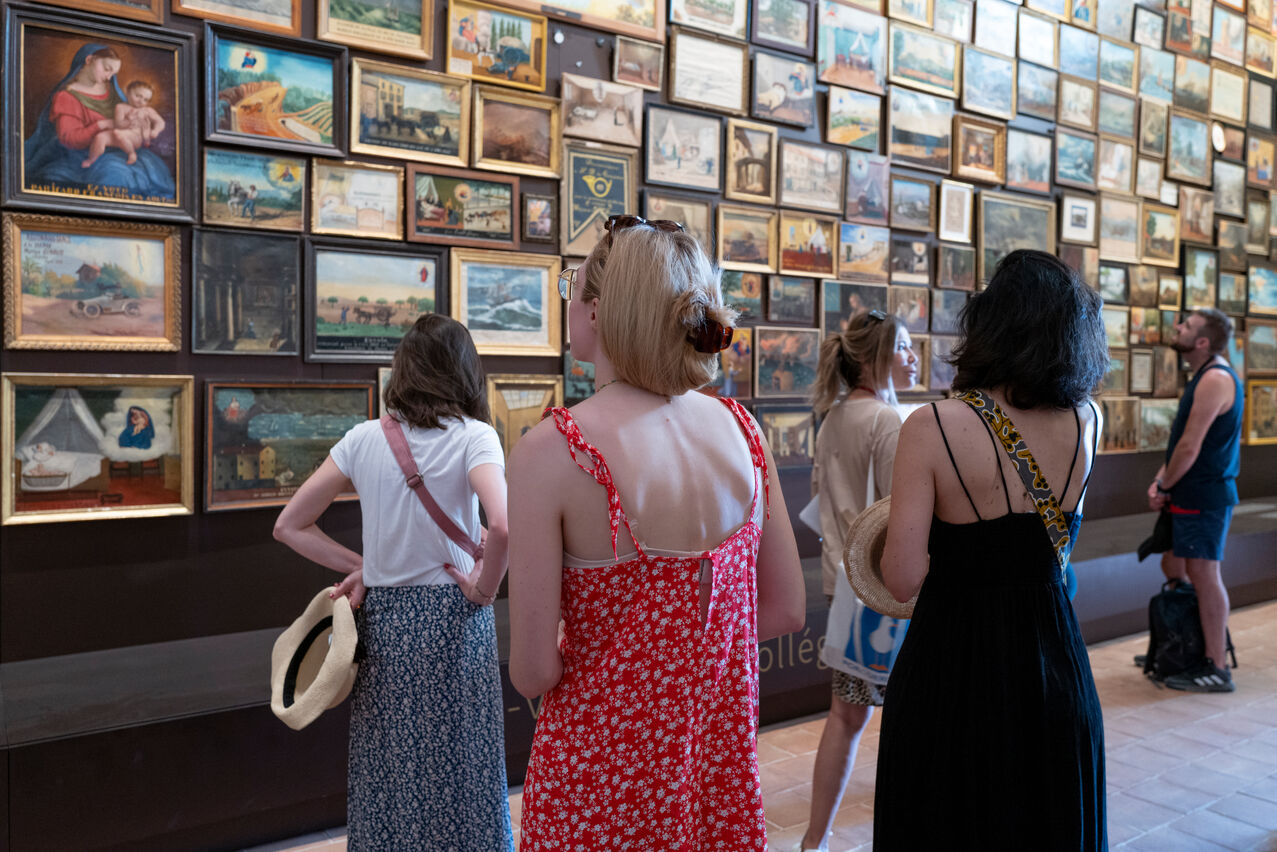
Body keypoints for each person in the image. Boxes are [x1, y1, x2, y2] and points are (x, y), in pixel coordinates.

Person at [508, 215, 805, 850]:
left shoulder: (553, 451)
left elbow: (532, 672)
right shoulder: (743, 431)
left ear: (596, 312)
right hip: (713, 778)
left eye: (572, 287)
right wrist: (688, 653)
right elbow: (783, 608)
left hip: (599, 782)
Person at [875, 250, 1108, 849]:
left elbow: (900, 577)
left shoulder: (932, 426)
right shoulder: (1088, 419)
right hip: (1055, 660)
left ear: (989, 325)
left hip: (955, 673)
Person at [273, 314, 515, 851]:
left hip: (387, 628)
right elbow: (502, 525)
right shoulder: (475, 437)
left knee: (390, 773)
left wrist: (366, 565)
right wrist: (485, 588)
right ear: (466, 372)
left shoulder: (364, 439)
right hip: (456, 623)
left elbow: (289, 525)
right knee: (465, 764)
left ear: (403, 371)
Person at [797, 309, 916, 852]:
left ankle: (813, 841)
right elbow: (902, 514)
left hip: (842, 585)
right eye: (905, 348)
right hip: (885, 592)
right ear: (876, 358)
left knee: (844, 718)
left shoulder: (836, 415)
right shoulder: (888, 421)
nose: (913, 358)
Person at [1146, 308, 1243, 692]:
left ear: (1201, 342)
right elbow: (1180, 444)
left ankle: (1216, 667)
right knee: (1176, 566)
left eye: (1186, 326)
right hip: (1189, 491)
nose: (1178, 328)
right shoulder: (1204, 375)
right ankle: (1184, 645)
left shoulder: (1215, 379)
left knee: (1205, 575)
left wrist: (1165, 485)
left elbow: (1190, 446)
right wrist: (1161, 480)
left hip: (1205, 494)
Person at [24, 45, 176, 201]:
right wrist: (103, 125)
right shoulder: (66, 97)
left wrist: (143, 130)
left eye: (113, 73)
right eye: (107, 69)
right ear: (89, 60)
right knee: (114, 177)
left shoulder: (111, 90)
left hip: (119, 150)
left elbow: (133, 124)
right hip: (80, 155)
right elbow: (69, 139)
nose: (109, 77)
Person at [80, 80, 165, 168]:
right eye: (138, 96)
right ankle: (91, 159)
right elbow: (118, 124)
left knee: (118, 133)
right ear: (128, 93)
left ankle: (131, 153)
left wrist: (155, 130)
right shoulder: (120, 107)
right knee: (100, 137)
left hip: (134, 138)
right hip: (118, 134)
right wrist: (129, 120)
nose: (141, 101)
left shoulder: (147, 110)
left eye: (145, 99)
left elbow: (160, 122)